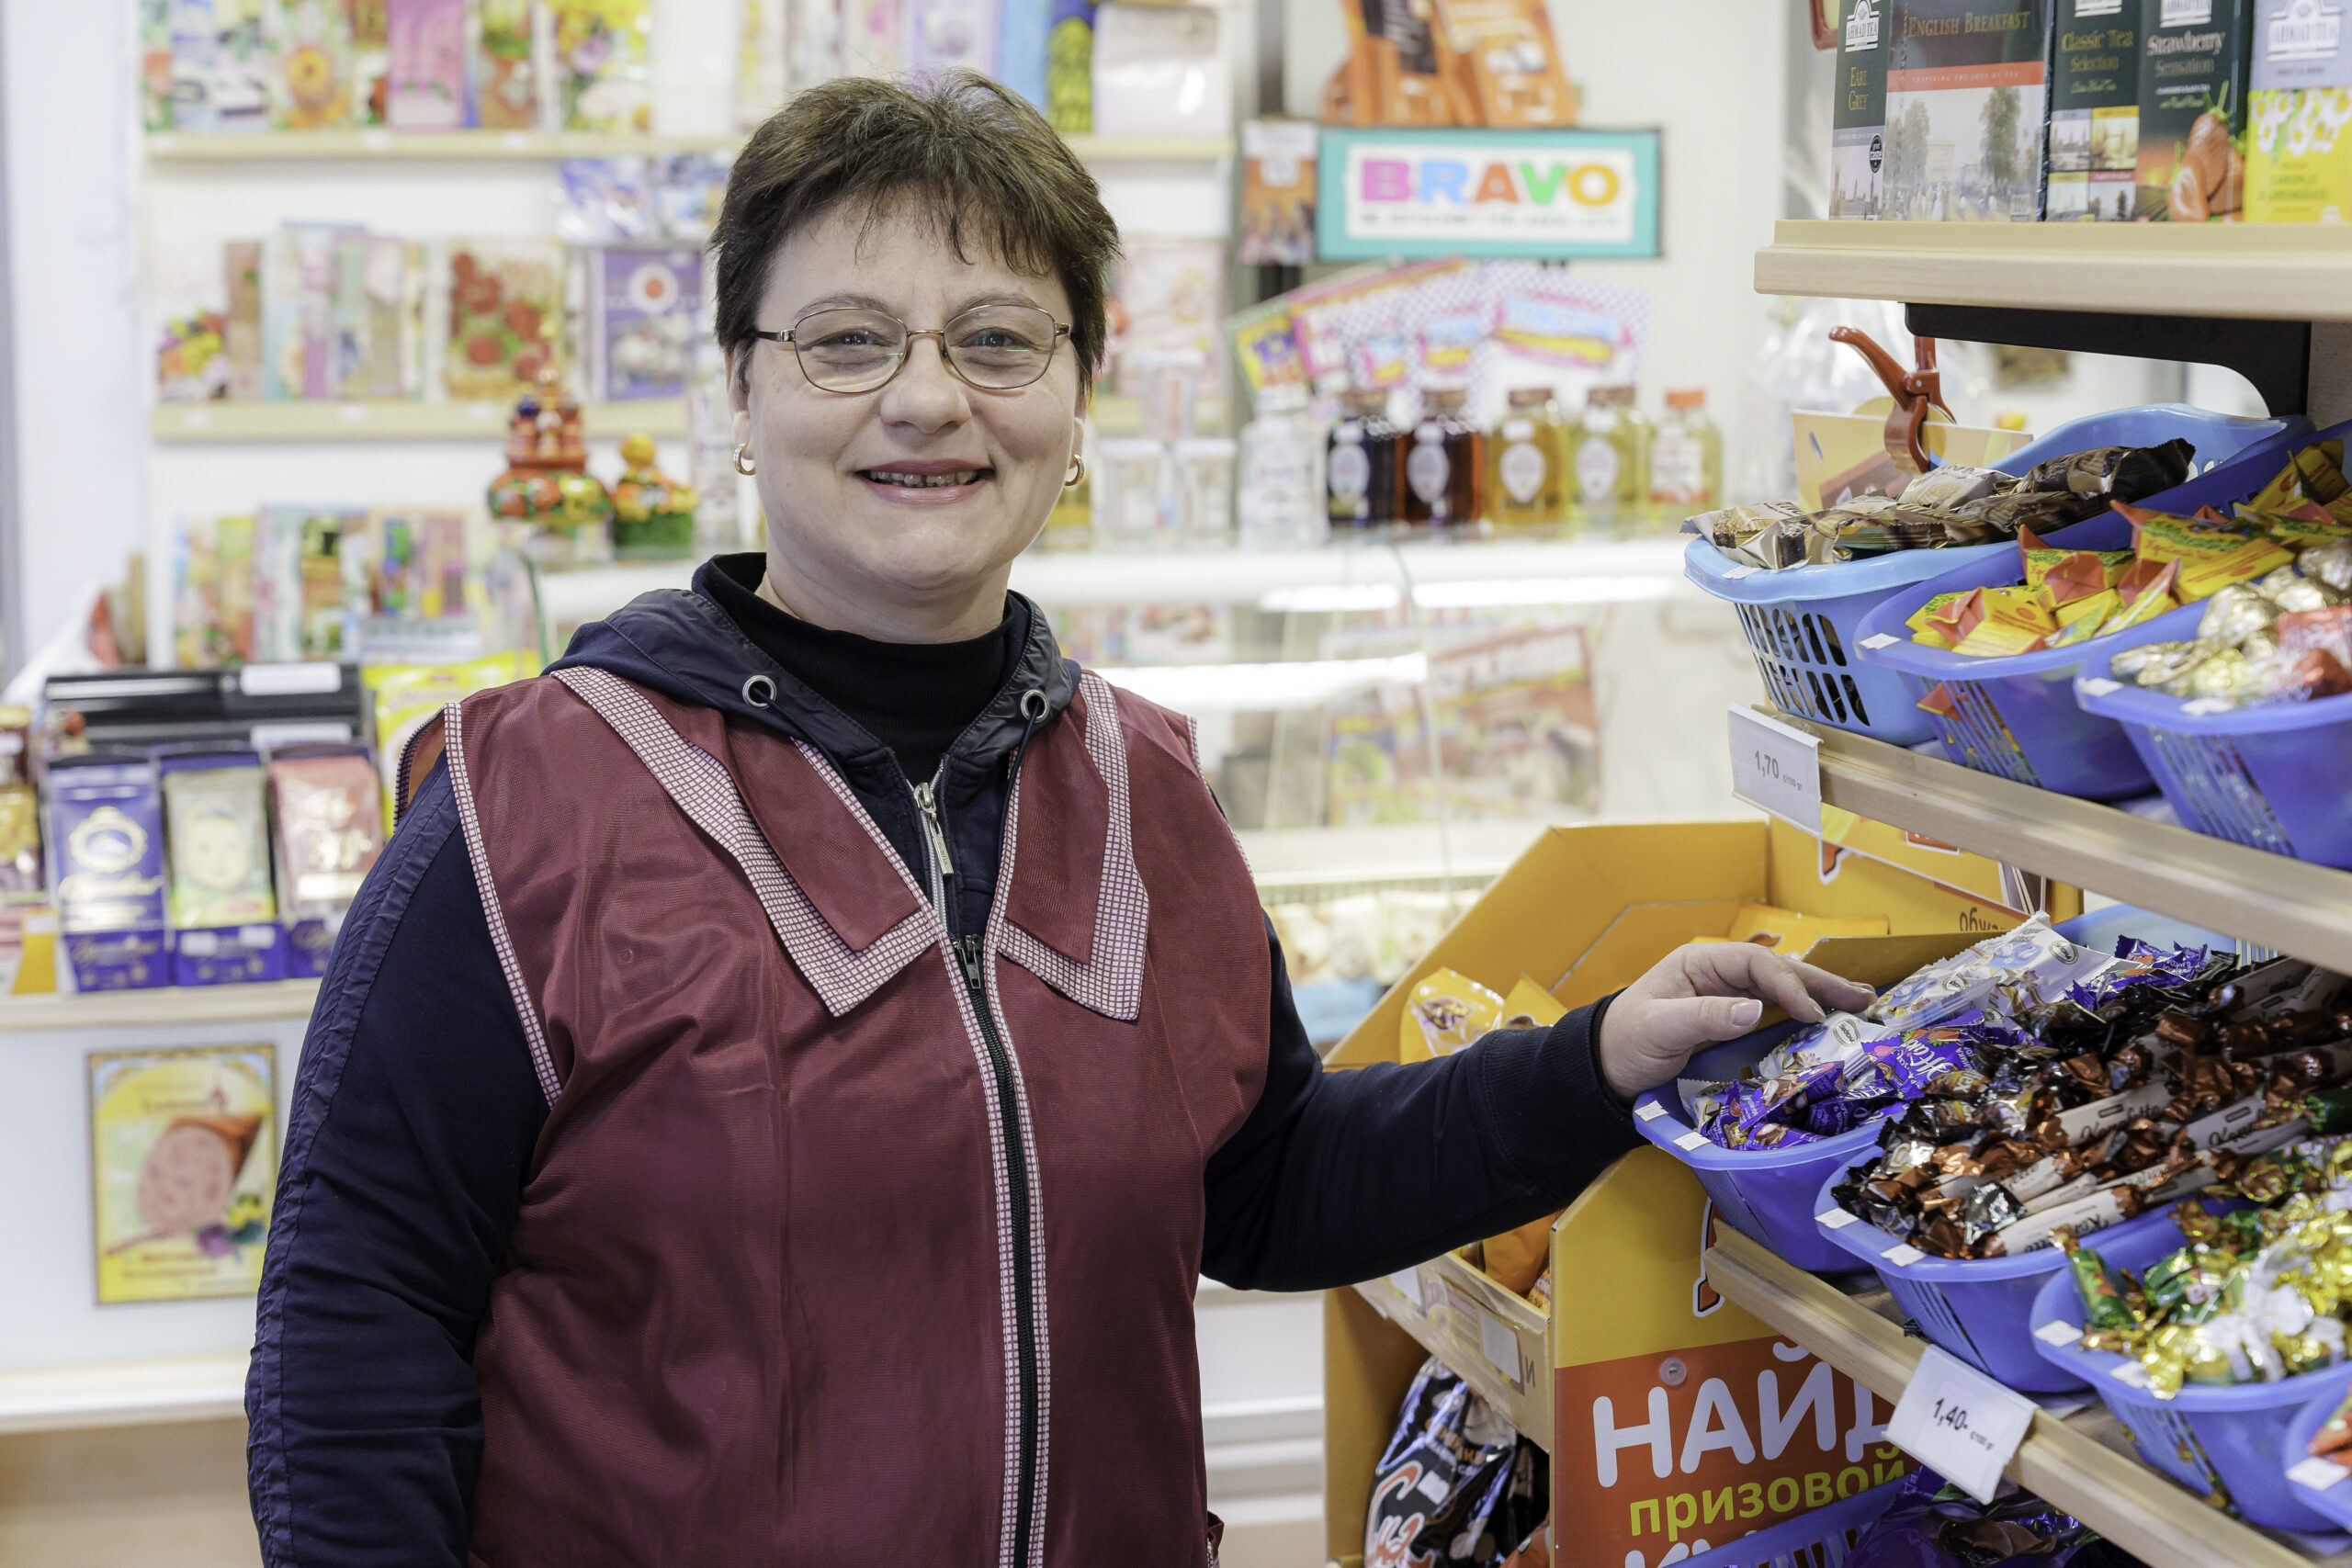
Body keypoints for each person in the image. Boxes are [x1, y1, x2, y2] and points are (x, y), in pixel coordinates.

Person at [245, 72, 1871, 1568]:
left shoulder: (1142, 782)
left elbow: (1269, 1182)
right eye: (848, 340)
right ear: (740, 390)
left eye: (999, 341)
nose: (928, 399)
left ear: (1080, 399)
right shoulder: (533, 799)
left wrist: (1596, 1060)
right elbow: (352, 1325)